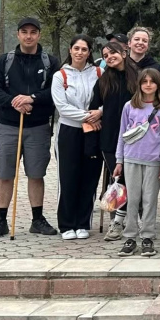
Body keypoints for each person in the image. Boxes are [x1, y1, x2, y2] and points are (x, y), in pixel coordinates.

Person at [0, 17, 60, 239]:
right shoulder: (4, 61)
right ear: (18, 34)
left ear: (39, 35)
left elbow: (56, 91)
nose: (28, 36)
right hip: (7, 125)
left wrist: (32, 98)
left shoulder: (50, 62)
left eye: (33, 32)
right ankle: (0, 220)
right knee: (5, 174)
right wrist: (14, 101)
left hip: (38, 127)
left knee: (36, 174)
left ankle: (37, 219)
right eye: (24, 32)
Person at [114, 68, 160, 257]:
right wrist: (119, 160)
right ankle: (130, 237)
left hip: (154, 160)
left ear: (158, 84)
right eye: (144, 81)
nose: (148, 85)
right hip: (131, 157)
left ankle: (147, 237)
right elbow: (122, 134)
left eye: (152, 81)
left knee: (149, 200)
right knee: (132, 199)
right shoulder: (129, 106)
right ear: (139, 84)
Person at [52, 35, 102, 240]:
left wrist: (101, 112)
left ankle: (83, 223)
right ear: (70, 50)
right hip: (69, 131)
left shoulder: (98, 73)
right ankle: (66, 224)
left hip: (94, 131)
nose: (80, 52)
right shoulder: (60, 76)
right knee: (68, 177)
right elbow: (62, 107)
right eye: (76, 48)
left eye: (84, 49)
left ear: (89, 52)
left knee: (90, 177)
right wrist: (89, 116)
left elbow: (108, 98)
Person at [89, 42, 139, 241]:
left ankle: (134, 219)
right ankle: (116, 222)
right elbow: (94, 107)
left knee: (133, 180)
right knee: (118, 179)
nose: (109, 57)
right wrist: (98, 116)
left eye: (113, 53)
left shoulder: (139, 77)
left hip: (136, 137)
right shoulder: (103, 81)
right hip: (110, 138)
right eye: (105, 55)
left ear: (124, 53)